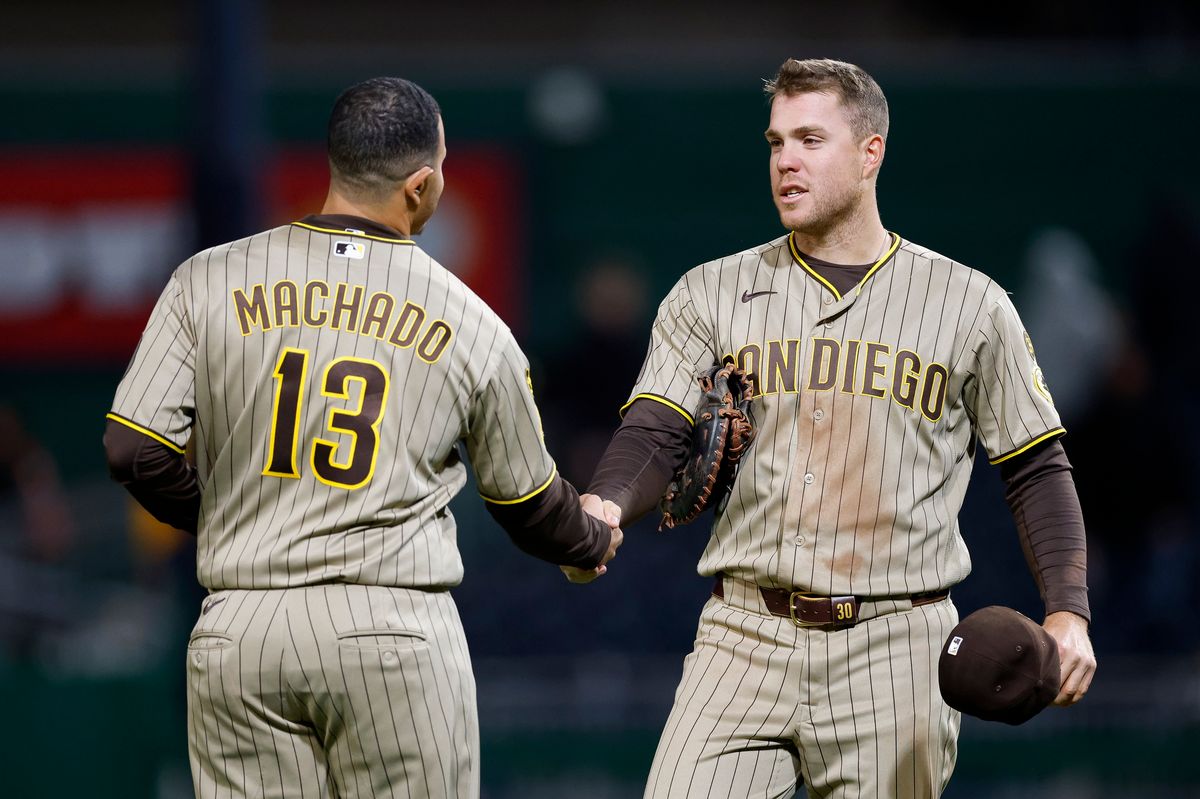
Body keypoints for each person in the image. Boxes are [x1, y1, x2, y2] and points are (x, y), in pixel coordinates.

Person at [585, 58, 1096, 798]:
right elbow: (656, 429)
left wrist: (1068, 611)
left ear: (870, 153)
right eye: (775, 141)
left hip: (898, 642)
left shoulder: (969, 304)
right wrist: (605, 502)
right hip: (744, 634)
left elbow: (1035, 468)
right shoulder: (711, 291)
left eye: (810, 139)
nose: (785, 159)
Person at [103, 77, 621, 799]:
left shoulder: (207, 279)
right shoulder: (472, 321)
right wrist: (588, 540)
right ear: (420, 185)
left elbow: (134, 449)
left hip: (241, 626)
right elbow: (527, 502)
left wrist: (225, 516)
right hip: (391, 629)